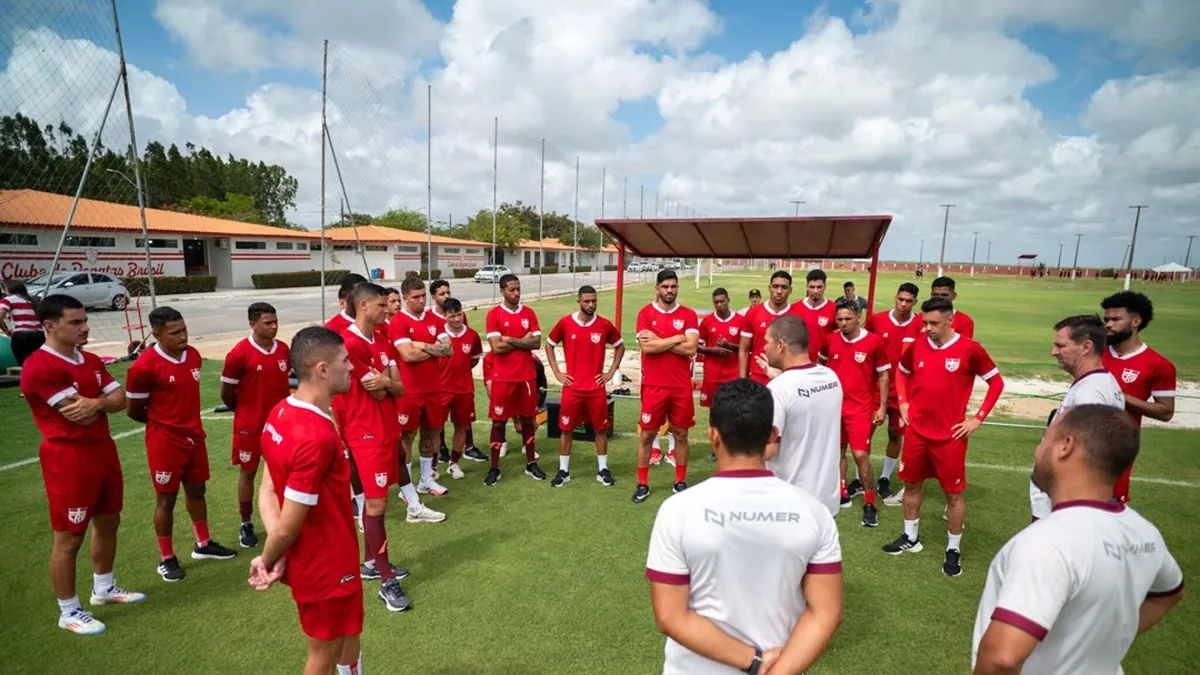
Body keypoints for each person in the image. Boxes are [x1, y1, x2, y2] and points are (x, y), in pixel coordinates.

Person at [646, 379, 843, 674]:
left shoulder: (677, 511)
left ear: (713, 435)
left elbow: (670, 617)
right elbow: (826, 612)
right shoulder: (813, 513)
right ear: (773, 436)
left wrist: (753, 661)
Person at [971, 405, 1183, 674]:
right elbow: (1169, 594)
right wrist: (1095, 642)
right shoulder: (1145, 532)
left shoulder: (1047, 542)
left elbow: (1002, 658)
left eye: (1044, 438)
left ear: (1065, 446)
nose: (1037, 450)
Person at [20, 294, 145, 635]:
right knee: (69, 538)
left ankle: (103, 588)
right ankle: (69, 611)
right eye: (75, 322)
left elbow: (120, 400)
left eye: (84, 321)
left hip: (102, 451)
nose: (84, 327)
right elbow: (82, 416)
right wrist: (102, 403)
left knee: (109, 521)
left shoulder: (89, 360)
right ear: (49, 326)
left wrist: (98, 403)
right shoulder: (40, 367)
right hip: (69, 458)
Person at [249, 326, 363, 674]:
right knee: (322, 655)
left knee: (349, 636)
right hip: (325, 566)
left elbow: (267, 491)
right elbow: (285, 529)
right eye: (345, 360)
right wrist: (268, 557)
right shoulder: (316, 437)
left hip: (324, 559)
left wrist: (280, 550)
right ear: (323, 370)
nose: (352, 367)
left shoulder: (281, 411)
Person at [884, 297, 1004, 577]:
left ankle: (953, 549)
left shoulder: (970, 349)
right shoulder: (917, 345)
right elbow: (901, 372)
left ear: (950, 321)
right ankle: (910, 537)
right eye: (924, 322)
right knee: (911, 487)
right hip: (916, 432)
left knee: (953, 495)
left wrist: (978, 418)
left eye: (934, 323)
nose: (927, 328)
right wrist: (903, 402)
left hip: (950, 437)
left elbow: (996, 382)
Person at [127, 306, 237, 582]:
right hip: (164, 440)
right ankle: (166, 558)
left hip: (194, 436)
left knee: (197, 489)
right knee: (166, 498)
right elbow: (134, 410)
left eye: (184, 329)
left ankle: (203, 543)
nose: (183, 336)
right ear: (156, 334)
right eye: (175, 332)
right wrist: (164, 425)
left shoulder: (194, 356)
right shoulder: (144, 366)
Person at [337, 283, 417, 612]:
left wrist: (386, 383)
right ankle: (387, 581)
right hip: (364, 434)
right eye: (382, 305)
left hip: (386, 430)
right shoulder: (348, 343)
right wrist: (386, 383)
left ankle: (372, 563)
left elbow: (396, 387)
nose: (388, 309)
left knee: (377, 503)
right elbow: (379, 390)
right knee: (376, 506)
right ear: (365, 305)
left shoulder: (382, 340)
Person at [1029, 315, 1124, 520]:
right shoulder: (1100, 383)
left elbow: (1086, 457)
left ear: (1085, 347)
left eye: (1060, 346)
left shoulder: (1090, 394)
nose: (1054, 352)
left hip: (1062, 511)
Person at [220, 302, 291, 549]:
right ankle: (246, 522)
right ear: (253, 324)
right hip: (250, 424)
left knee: (283, 470)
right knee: (248, 472)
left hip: (280, 424)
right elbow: (227, 394)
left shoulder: (283, 349)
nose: (274, 327)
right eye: (267, 323)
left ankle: (285, 515)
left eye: (275, 322)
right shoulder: (239, 354)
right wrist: (246, 411)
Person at [760, 315, 843, 515]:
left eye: (766, 341)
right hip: (826, 501)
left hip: (791, 502)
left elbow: (768, 451)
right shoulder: (831, 378)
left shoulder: (778, 390)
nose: (764, 347)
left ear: (781, 346)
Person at [1100, 291, 1176, 503]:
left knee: (1109, 513)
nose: (1108, 324)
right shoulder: (1095, 352)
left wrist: (1120, 396)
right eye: (1106, 319)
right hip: (1081, 443)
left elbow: (1166, 411)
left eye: (1115, 319)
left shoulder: (1158, 364)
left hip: (1118, 450)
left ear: (1136, 321)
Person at [545, 285, 624, 488]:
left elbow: (620, 346)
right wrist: (557, 372)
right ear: (578, 301)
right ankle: (563, 471)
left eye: (594, 301)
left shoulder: (605, 325)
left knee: (600, 429)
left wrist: (610, 372)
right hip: (572, 389)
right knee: (566, 429)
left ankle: (603, 469)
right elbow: (549, 344)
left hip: (596, 389)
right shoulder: (565, 323)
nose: (591, 305)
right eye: (587, 301)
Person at [632, 270, 699, 504]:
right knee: (647, 435)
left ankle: (679, 481)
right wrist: (676, 338)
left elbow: (691, 349)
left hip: (680, 386)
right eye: (665, 287)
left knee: (681, 434)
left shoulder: (689, 314)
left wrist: (659, 340)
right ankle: (642, 484)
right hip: (653, 386)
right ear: (657, 288)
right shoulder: (645, 314)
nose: (669, 291)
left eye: (673, 286)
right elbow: (647, 349)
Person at [821, 298, 889, 527]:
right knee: (837, 451)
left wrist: (881, 406)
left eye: (848, 319)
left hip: (860, 408)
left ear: (858, 316)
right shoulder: (829, 340)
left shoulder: (874, 342)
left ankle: (870, 501)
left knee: (860, 454)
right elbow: (820, 368)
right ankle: (842, 490)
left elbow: (883, 375)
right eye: (839, 319)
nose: (843, 323)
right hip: (833, 406)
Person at [388, 277, 452, 498]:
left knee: (431, 434)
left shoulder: (435, 318)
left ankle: (426, 480)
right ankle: (406, 487)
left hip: (434, 388)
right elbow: (407, 355)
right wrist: (432, 347)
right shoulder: (398, 321)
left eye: (423, 295)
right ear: (405, 298)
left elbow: (448, 349)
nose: (421, 300)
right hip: (409, 390)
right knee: (407, 437)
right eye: (416, 297)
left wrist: (420, 345)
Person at [483, 274, 546, 486]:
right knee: (498, 421)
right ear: (502, 291)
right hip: (503, 377)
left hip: (527, 376)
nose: (516, 293)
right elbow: (496, 347)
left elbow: (536, 343)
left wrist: (509, 339)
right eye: (511, 289)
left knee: (529, 419)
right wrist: (522, 341)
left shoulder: (529, 312)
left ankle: (531, 463)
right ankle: (494, 468)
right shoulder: (494, 315)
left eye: (518, 289)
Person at [867, 283, 921, 501]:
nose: (904, 304)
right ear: (895, 297)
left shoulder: (920, 324)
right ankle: (863, 477)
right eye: (901, 299)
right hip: (876, 388)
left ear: (915, 302)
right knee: (866, 433)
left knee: (894, 434)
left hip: (903, 392)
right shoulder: (877, 319)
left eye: (909, 301)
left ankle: (884, 478)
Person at [438, 298, 482, 479]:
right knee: (434, 429)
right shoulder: (438, 334)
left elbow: (474, 358)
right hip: (441, 390)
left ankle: (454, 463)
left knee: (462, 427)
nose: (456, 319)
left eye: (459, 315)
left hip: (464, 390)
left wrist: (461, 371)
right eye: (452, 316)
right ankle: (431, 468)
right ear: (444, 316)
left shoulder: (472, 335)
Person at [738, 271, 797, 384]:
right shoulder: (753, 313)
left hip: (787, 378)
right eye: (775, 286)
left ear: (790, 290)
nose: (779, 291)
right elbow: (744, 349)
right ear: (769, 288)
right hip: (758, 377)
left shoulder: (797, 316)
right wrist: (742, 381)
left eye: (784, 287)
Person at [697, 287, 744, 408]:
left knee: (733, 410)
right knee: (714, 410)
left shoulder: (741, 321)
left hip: (733, 374)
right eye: (716, 302)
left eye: (722, 301)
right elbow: (696, 346)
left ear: (728, 300)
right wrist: (712, 350)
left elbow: (747, 349)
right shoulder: (707, 321)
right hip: (712, 375)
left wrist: (729, 346)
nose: (719, 305)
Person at [792, 268, 835, 361]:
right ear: (807, 287)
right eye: (812, 287)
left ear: (825, 286)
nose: (815, 291)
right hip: (799, 363)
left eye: (819, 287)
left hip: (824, 364)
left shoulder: (834, 309)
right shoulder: (794, 308)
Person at [1, 279, 45, 364]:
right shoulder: (33, 300)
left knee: (25, 364)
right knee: (38, 363)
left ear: (10, 289)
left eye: (5, 289)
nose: (4, 292)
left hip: (21, 336)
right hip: (39, 335)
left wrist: (5, 331)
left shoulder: (8, 300)